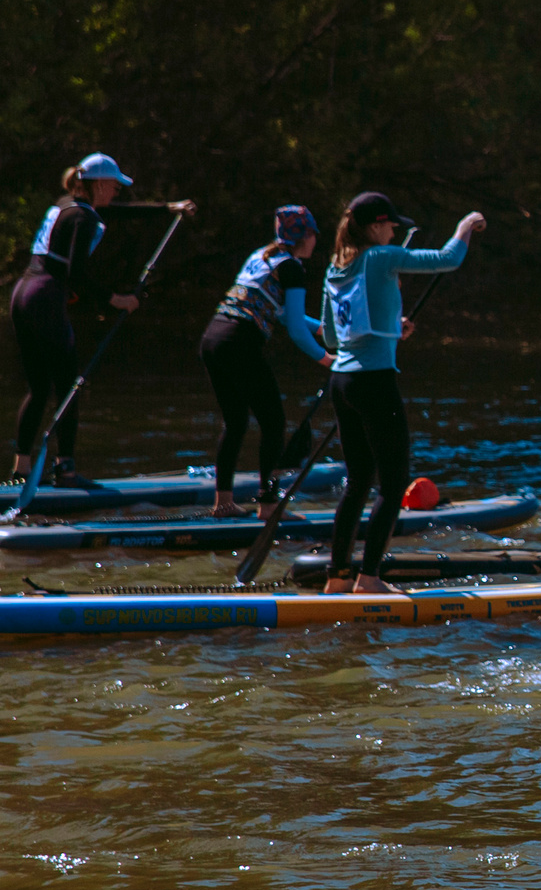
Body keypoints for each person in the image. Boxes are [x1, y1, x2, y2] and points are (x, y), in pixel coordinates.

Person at [320, 193, 487, 593]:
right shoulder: (380, 257)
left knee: (358, 482)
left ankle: (337, 577)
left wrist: (391, 328)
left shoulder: (336, 267)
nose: (394, 233)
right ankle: (369, 578)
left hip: (342, 383)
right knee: (394, 483)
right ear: (375, 226)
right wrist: (466, 225)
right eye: (391, 226)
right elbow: (447, 259)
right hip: (374, 383)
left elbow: (331, 338)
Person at [12, 153, 195, 489]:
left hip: (23, 294)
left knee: (38, 388)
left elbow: (118, 212)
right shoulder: (84, 220)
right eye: (114, 186)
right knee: (68, 387)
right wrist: (116, 300)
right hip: (46, 299)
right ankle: (66, 470)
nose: (116, 192)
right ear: (97, 185)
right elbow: (76, 275)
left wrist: (168, 209)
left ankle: (20, 470)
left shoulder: (66, 205)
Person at [198, 204, 329, 515]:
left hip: (212, 339)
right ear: (305, 235)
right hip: (238, 344)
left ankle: (223, 503)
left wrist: (323, 329)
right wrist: (327, 359)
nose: (316, 240)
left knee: (235, 422)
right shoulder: (292, 268)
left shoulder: (262, 256)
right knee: (273, 423)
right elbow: (295, 330)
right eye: (314, 234)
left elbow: (281, 312)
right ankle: (268, 505)